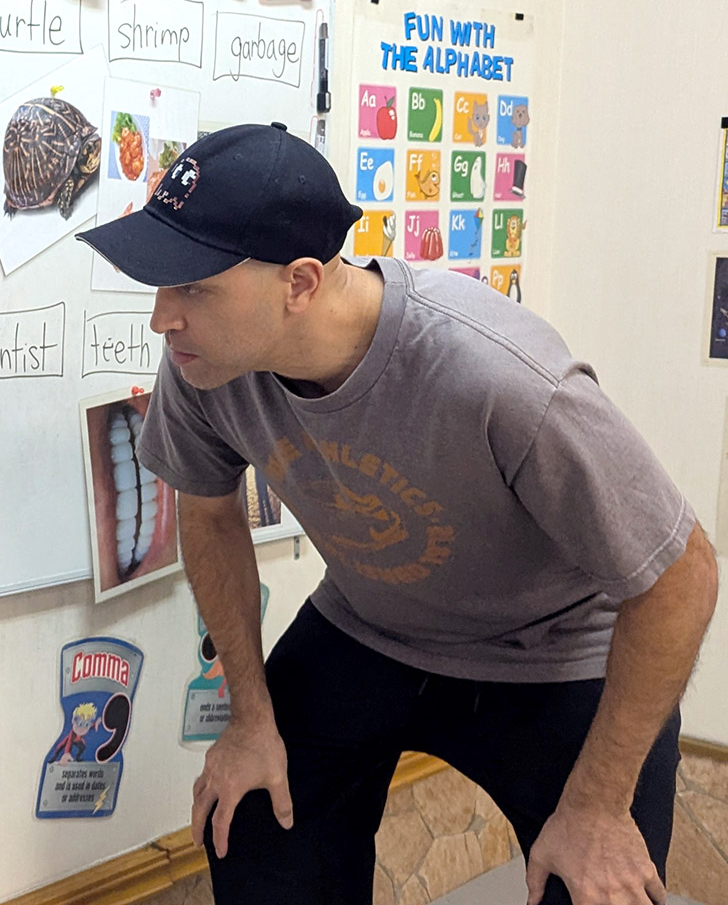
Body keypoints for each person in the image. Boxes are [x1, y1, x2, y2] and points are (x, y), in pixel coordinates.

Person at [77, 123, 718, 905]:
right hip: (371, 627)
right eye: (162, 287)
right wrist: (250, 717)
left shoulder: (500, 379)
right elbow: (210, 516)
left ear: (302, 283)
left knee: (597, 886)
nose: (162, 319)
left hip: (555, 650)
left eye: (194, 289)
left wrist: (598, 805)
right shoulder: (208, 362)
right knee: (248, 816)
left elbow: (684, 572)